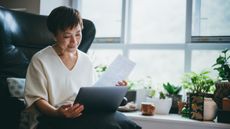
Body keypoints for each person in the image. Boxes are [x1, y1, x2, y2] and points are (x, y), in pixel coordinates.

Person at [24, 6, 140, 129]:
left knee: (128, 125)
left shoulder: (86, 60)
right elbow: (37, 99)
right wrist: (57, 112)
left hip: (86, 113)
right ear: (54, 35)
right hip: (53, 117)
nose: (74, 41)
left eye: (78, 34)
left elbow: (94, 93)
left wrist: (114, 90)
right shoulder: (40, 60)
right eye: (67, 36)